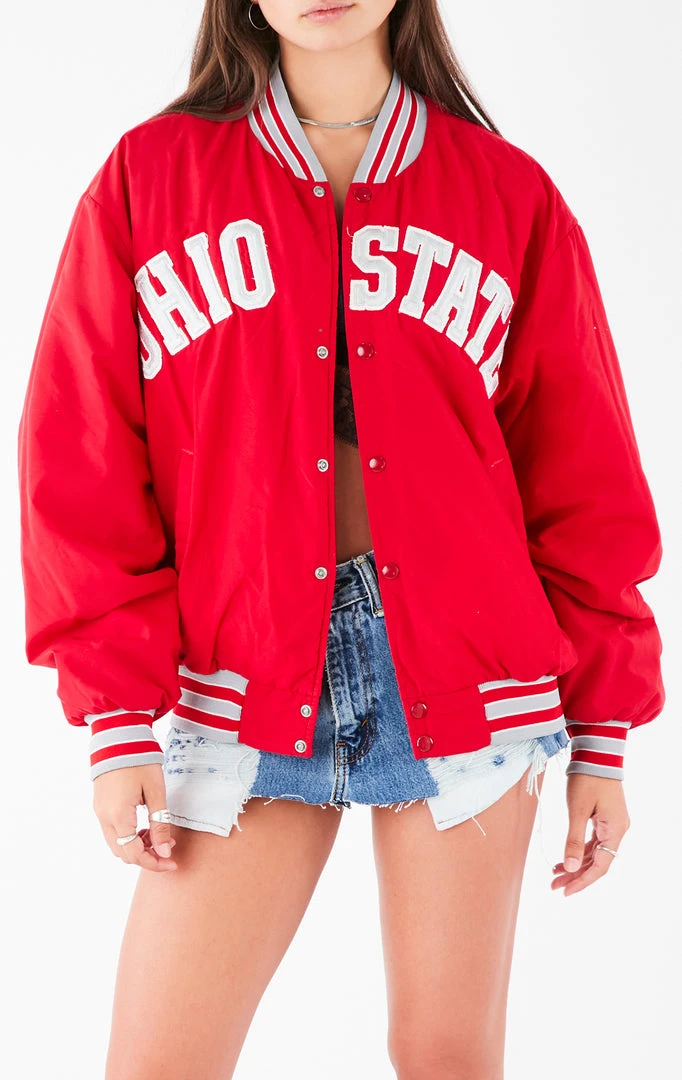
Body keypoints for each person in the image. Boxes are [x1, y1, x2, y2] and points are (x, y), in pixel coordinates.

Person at [17, 1, 665, 1077]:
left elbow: (582, 474)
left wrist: (603, 729)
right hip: (242, 668)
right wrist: (117, 715)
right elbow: (80, 454)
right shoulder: (151, 177)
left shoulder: (507, 193)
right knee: (160, 1061)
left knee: (446, 1056)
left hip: (468, 674)